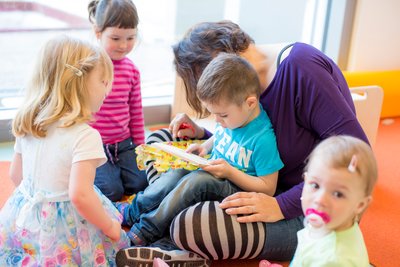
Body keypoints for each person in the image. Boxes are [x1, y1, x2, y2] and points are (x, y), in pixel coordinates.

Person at [117, 20, 369, 263]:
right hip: (248, 180)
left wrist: (281, 205)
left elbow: (355, 157)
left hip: (309, 206)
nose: (216, 115)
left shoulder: (300, 68)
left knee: (194, 223)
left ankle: (169, 236)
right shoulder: (245, 85)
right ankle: (166, 226)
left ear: (221, 64)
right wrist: (203, 136)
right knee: (162, 138)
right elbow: (242, 142)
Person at [115, 53, 283, 266]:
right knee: (176, 172)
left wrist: (230, 172)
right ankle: (133, 211)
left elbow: (268, 189)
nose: (217, 121)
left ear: (250, 103)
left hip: (235, 187)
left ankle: (145, 230)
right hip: (213, 170)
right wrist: (204, 147)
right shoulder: (234, 117)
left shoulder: (263, 138)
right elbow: (222, 136)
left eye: (222, 115)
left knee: (197, 182)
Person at [0, 35, 130, 266]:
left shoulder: (29, 124)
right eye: (103, 81)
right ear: (78, 84)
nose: (108, 90)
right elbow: (80, 196)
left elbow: (15, 176)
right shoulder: (85, 136)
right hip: (65, 226)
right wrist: (110, 227)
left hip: (26, 215)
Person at [88, 0, 148, 202]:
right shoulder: (89, 67)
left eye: (130, 38)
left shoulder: (131, 70)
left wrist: (140, 145)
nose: (123, 45)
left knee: (140, 184)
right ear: (98, 33)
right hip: (94, 145)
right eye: (115, 38)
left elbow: (136, 111)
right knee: (111, 191)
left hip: (123, 144)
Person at [290, 135, 377, 266]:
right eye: (315, 185)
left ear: (360, 205)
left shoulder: (333, 259)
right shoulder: (332, 223)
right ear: (305, 179)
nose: (320, 200)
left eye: (337, 194)